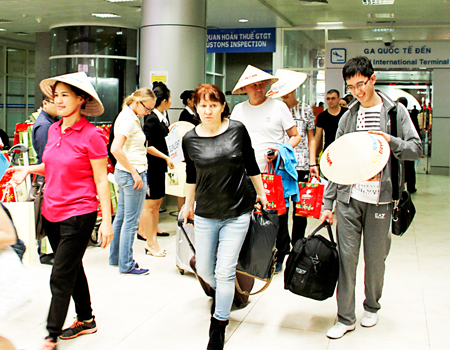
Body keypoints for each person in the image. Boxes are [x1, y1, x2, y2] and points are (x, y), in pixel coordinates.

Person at [7, 72, 114, 349]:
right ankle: (86, 319)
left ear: (82, 100)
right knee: (72, 266)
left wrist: (107, 221)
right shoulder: (54, 129)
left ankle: (51, 334)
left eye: (66, 95)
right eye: (57, 95)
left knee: (60, 274)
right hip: (51, 210)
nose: (59, 100)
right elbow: (53, 165)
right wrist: (29, 168)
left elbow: (101, 179)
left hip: (79, 213)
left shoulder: (92, 136)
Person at [321, 56, 422, 339]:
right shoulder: (348, 116)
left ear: (373, 79)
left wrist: (391, 142)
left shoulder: (395, 113)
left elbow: (416, 149)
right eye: (351, 87)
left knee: (376, 259)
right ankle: (345, 317)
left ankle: (372, 306)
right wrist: (328, 204)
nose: (357, 91)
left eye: (361, 84)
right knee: (346, 258)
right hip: (349, 199)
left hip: (382, 198)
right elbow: (335, 162)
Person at [182, 84, 267, 350]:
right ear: (196, 107)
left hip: (237, 211)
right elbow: (191, 176)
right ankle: (231, 296)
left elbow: (251, 164)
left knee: (225, 270)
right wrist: (188, 205)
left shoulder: (237, 130)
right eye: (202, 105)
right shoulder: (189, 139)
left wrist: (261, 193)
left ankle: (218, 326)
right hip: (206, 213)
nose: (208, 110)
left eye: (213, 105)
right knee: (206, 269)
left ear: (222, 106)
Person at [230, 65, 301, 273]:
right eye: (253, 85)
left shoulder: (279, 107)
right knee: (248, 216)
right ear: (245, 89)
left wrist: (281, 149)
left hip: (274, 174)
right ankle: (253, 256)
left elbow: (295, 136)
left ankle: (279, 255)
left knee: (277, 216)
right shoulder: (239, 110)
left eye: (261, 84)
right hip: (246, 175)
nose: (258, 88)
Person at [109, 88, 156, 275]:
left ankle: (116, 257)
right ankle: (127, 264)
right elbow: (115, 148)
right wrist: (135, 173)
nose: (148, 112)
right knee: (131, 221)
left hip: (123, 173)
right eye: (147, 108)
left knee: (121, 218)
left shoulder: (125, 115)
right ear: (137, 102)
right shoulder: (129, 120)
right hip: (131, 175)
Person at [140, 82, 175, 257]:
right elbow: (149, 145)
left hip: (159, 165)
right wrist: (166, 157)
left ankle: (153, 236)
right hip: (152, 165)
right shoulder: (151, 118)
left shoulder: (161, 116)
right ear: (165, 100)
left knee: (157, 202)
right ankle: (149, 240)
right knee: (150, 205)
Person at [280, 90, 319, 244]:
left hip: (302, 164)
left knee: (301, 210)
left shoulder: (306, 109)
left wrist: (312, 162)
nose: (285, 93)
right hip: (281, 165)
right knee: (281, 209)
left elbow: (311, 138)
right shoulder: (277, 108)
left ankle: (298, 244)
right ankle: (282, 246)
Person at [31, 95, 59, 265]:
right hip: (46, 175)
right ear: (45, 104)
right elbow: (45, 157)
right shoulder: (44, 125)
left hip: (48, 174)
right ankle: (45, 253)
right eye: (56, 102)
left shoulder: (51, 122)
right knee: (45, 215)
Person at [397, 97, 420, 194]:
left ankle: (401, 186)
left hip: (401, 145)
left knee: (401, 167)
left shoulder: (398, 116)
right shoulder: (411, 115)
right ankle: (411, 187)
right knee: (410, 168)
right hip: (408, 145)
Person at [315, 89, 348, 157]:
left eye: (333, 98)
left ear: (339, 99)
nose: (330, 101)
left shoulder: (347, 113)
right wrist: (313, 154)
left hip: (345, 148)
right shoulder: (322, 116)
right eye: (328, 99)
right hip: (329, 149)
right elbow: (318, 136)